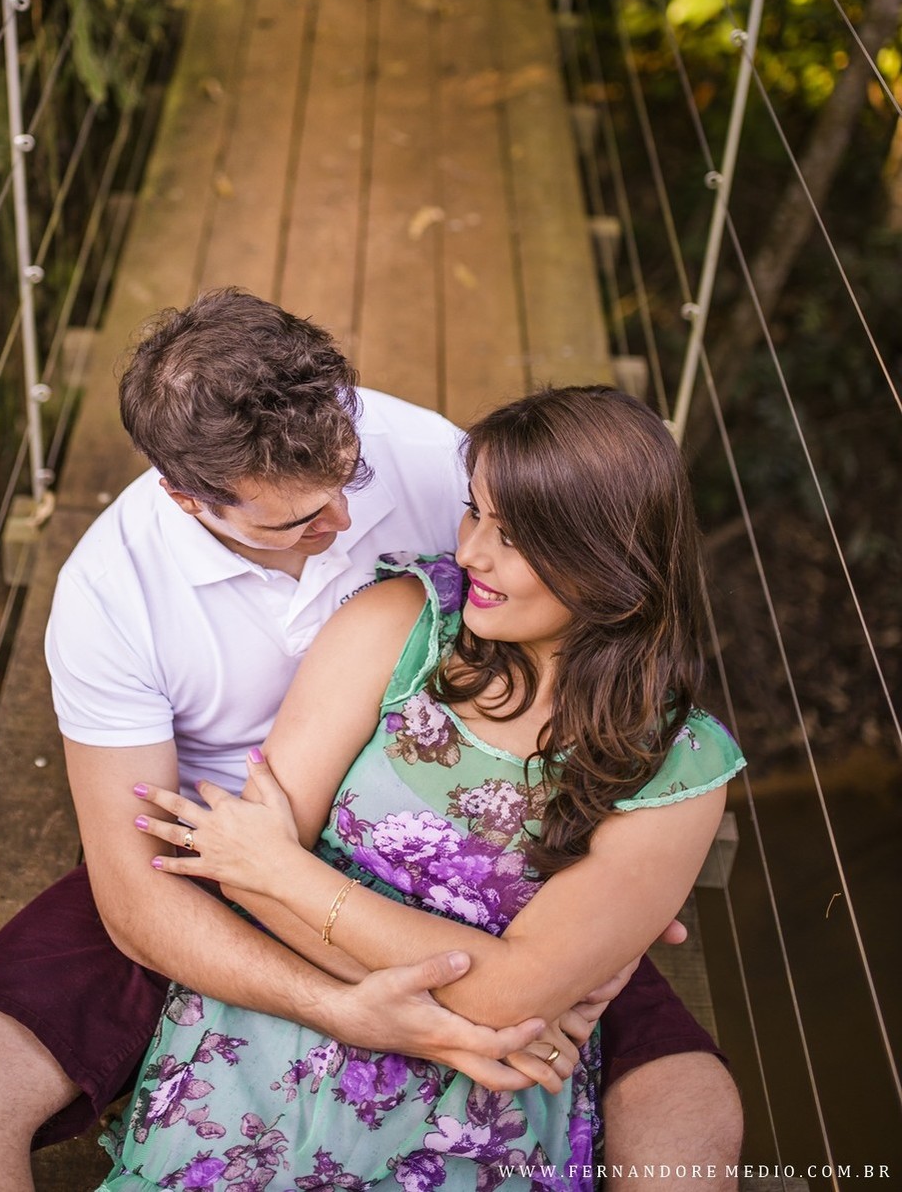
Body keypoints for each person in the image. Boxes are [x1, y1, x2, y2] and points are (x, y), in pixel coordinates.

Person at [0, 293, 743, 1192]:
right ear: (189, 500)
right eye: (296, 519)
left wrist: (614, 926)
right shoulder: (113, 595)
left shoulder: (442, 466)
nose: (343, 524)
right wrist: (355, 1010)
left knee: (691, 1110)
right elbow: (147, 895)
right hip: (234, 847)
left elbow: (595, 614)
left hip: (492, 878)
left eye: (351, 479)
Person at [101, 383, 745, 1191]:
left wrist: (294, 877)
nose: (472, 551)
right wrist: (437, 1006)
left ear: (607, 557)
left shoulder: (679, 769)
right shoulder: (404, 620)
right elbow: (242, 875)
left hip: (484, 1090)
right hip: (272, 1041)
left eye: (514, 538)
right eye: (475, 513)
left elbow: (513, 989)